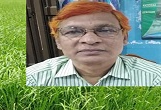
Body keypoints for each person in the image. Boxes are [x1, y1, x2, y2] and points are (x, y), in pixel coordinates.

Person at [26, 0, 161, 86]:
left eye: (105, 30)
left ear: (124, 37)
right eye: (73, 32)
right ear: (58, 41)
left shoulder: (155, 78)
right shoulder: (33, 78)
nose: (90, 40)